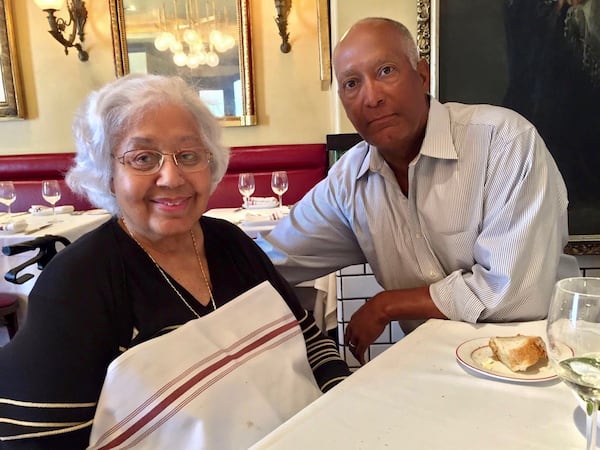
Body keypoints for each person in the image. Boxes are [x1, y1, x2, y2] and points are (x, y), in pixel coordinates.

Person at [0, 74, 350, 449]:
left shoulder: (231, 243)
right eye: (143, 158)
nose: (171, 177)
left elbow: (310, 340)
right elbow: (33, 439)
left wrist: (345, 404)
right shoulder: (76, 284)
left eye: (188, 155)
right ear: (108, 174)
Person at [256, 17, 580, 365]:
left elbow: (514, 293)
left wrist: (387, 305)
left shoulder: (503, 141)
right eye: (351, 83)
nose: (371, 97)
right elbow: (273, 261)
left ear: (422, 75)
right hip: (434, 366)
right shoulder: (348, 181)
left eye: (385, 71)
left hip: (540, 364)